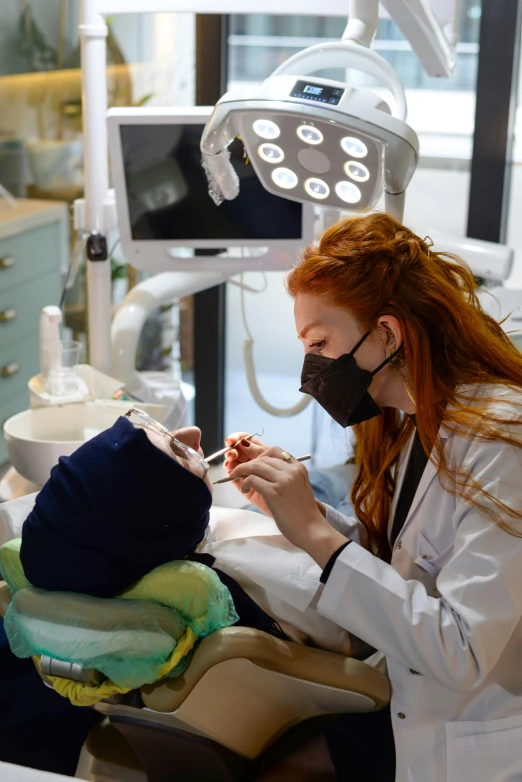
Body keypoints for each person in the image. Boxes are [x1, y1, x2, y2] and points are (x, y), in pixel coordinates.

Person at [224, 212, 522, 782]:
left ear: (387, 332)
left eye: (320, 342)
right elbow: (407, 563)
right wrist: (300, 509)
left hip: (483, 746)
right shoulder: (418, 419)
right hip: (421, 722)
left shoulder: (500, 440)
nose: (312, 367)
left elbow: (463, 651)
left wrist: (314, 535)